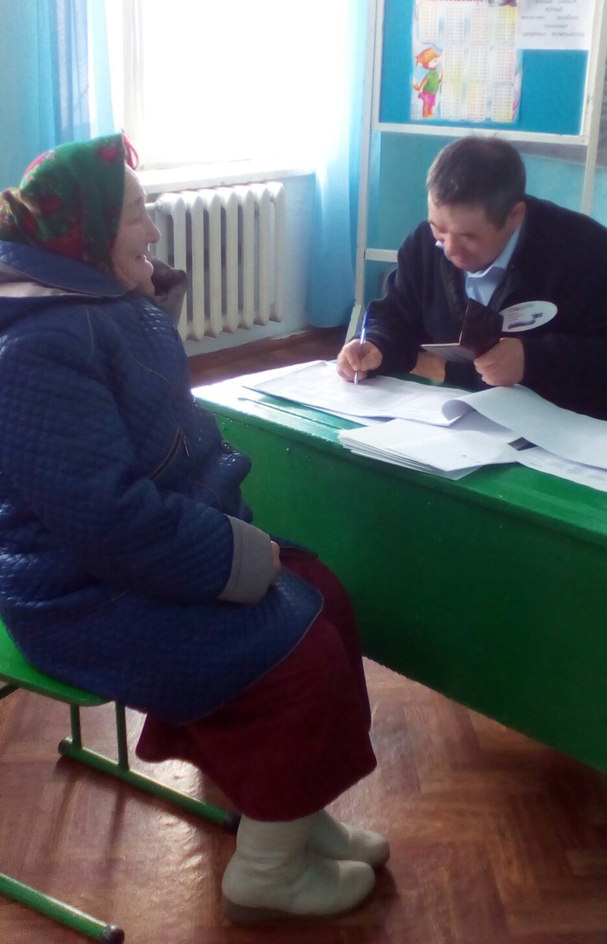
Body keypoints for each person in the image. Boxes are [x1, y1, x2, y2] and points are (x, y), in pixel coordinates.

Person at [0, 134, 388, 924]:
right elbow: (107, 520)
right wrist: (231, 554)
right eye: (136, 216)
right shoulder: (37, 348)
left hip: (132, 557)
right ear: (85, 233)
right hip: (73, 594)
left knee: (325, 595)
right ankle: (266, 875)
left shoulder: (86, 304)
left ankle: (289, 810)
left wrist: (229, 545)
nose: (153, 230)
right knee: (294, 655)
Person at [337, 136, 607, 419]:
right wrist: (375, 344)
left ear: (514, 216)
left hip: (561, 426)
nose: (450, 249)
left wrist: (534, 360)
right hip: (458, 416)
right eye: (439, 229)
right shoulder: (423, 245)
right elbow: (396, 313)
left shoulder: (585, 254)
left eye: (469, 236)